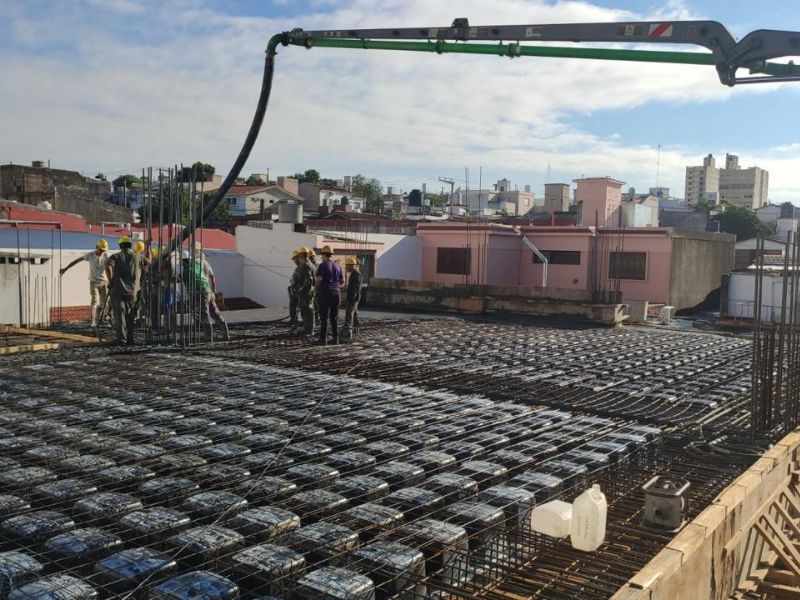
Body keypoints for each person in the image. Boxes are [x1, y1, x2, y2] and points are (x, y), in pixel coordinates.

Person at [105, 235, 149, 345]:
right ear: (130, 245)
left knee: (120, 316)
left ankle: (121, 339)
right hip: (134, 292)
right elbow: (149, 267)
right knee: (130, 317)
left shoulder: (116, 256)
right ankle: (130, 339)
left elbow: (108, 267)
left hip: (118, 291)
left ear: (120, 246)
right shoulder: (139, 256)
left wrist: (110, 281)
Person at [179, 250, 230, 342]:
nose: (181, 264)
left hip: (201, 294)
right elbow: (211, 277)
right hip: (209, 291)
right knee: (215, 314)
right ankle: (226, 334)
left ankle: (208, 337)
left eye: (182, 262)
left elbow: (177, 278)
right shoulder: (197, 266)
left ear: (185, 261)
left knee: (204, 315)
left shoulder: (187, 271)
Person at [59, 239, 110, 327]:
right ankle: (93, 322)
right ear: (96, 247)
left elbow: (110, 267)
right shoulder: (90, 255)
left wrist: (111, 280)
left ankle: (101, 320)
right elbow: (77, 261)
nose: (102, 252)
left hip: (104, 282)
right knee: (94, 302)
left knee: (103, 303)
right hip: (94, 282)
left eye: (103, 250)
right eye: (101, 250)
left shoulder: (106, 255)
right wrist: (65, 269)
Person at [315, 245, 344, 345]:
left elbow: (319, 280)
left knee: (324, 317)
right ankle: (335, 338)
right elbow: (342, 281)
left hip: (326, 293)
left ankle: (323, 339)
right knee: (334, 317)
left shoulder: (322, 265)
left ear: (323, 255)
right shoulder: (337, 265)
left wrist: (315, 290)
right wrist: (335, 286)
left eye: (321, 255)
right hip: (337, 294)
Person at [290, 247, 315, 337]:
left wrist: (301, 288)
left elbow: (309, 279)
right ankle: (307, 328)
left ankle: (309, 330)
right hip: (307, 292)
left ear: (301, 256)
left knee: (308, 311)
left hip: (306, 293)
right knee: (306, 311)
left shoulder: (306, 265)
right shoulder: (310, 264)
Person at [343, 257, 362, 342]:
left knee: (349, 314)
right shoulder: (354, 273)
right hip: (353, 298)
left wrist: (352, 298)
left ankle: (349, 331)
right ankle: (355, 329)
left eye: (347, 265)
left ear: (351, 265)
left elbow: (356, 288)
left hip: (353, 298)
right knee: (354, 314)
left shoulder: (356, 274)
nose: (346, 267)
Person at [287, 248, 301, 328]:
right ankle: (293, 319)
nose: (294, 261)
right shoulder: (298, 268)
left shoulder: (302, 267)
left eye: (295, 259)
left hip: (301, 291)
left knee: (303, 308)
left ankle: (305, 324)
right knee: (293, 304)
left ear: (299, 257)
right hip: (297, 290)